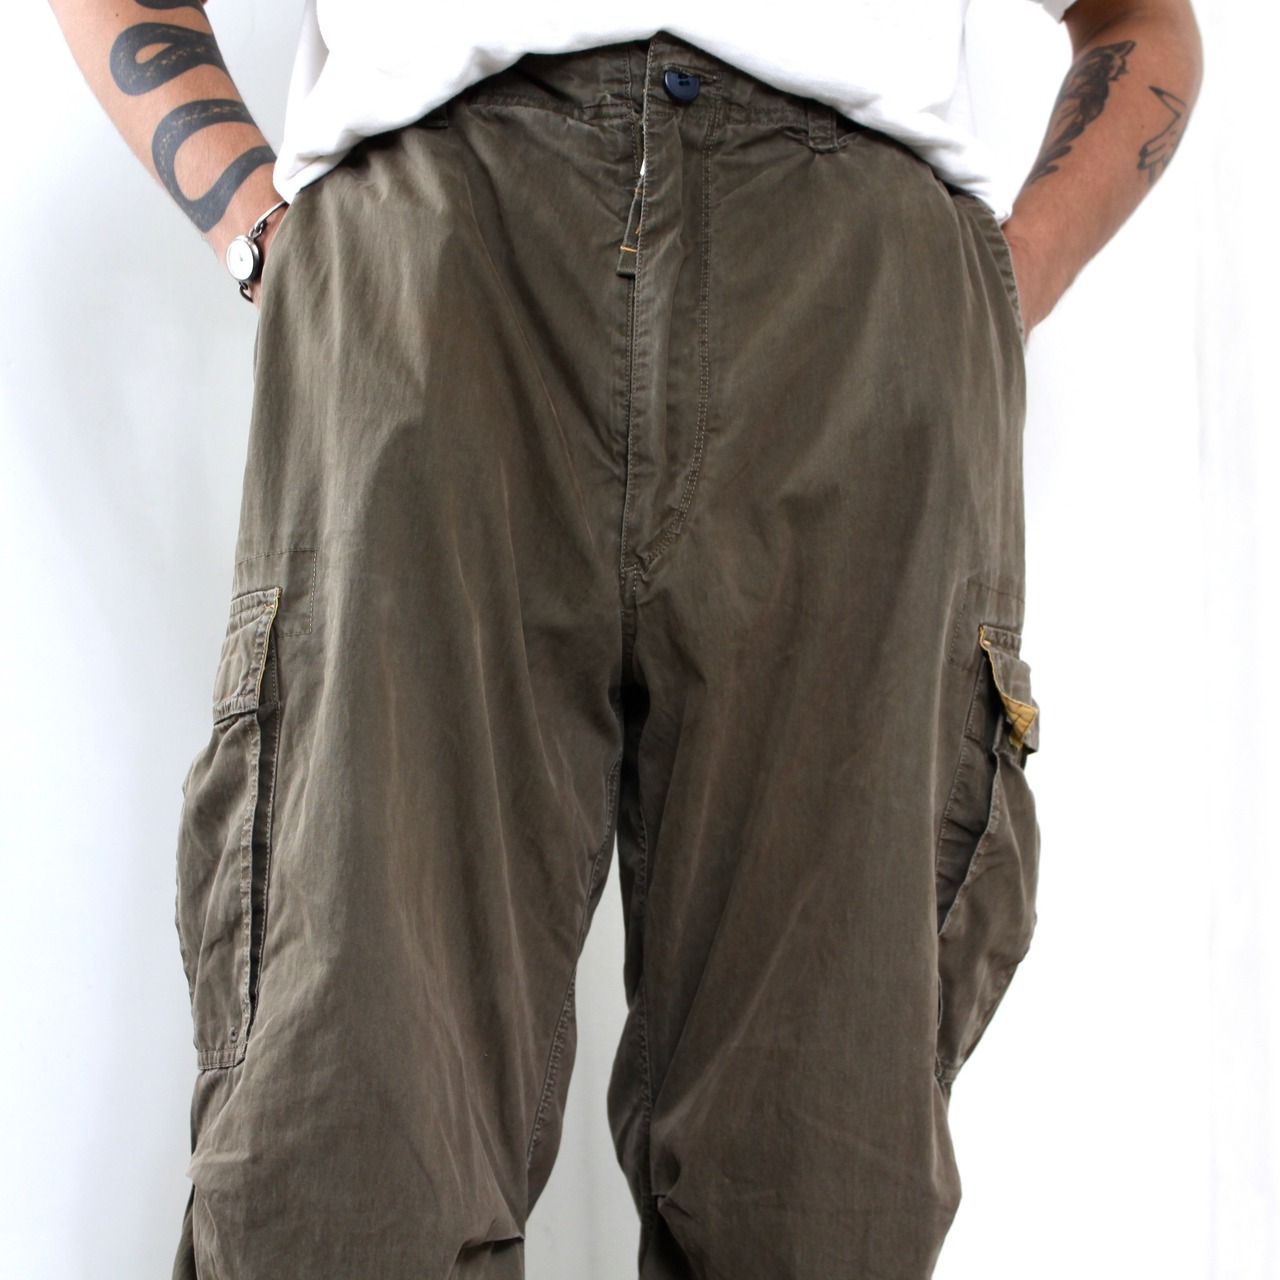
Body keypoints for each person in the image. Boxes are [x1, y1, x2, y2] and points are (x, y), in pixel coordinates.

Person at [48, 1, 1203, 1277]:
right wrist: (259, 225)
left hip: (855, 308)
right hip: (430, 271)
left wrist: (1003, 276)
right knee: (346, 1139)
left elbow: (1137, 19)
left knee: (818, 1170)